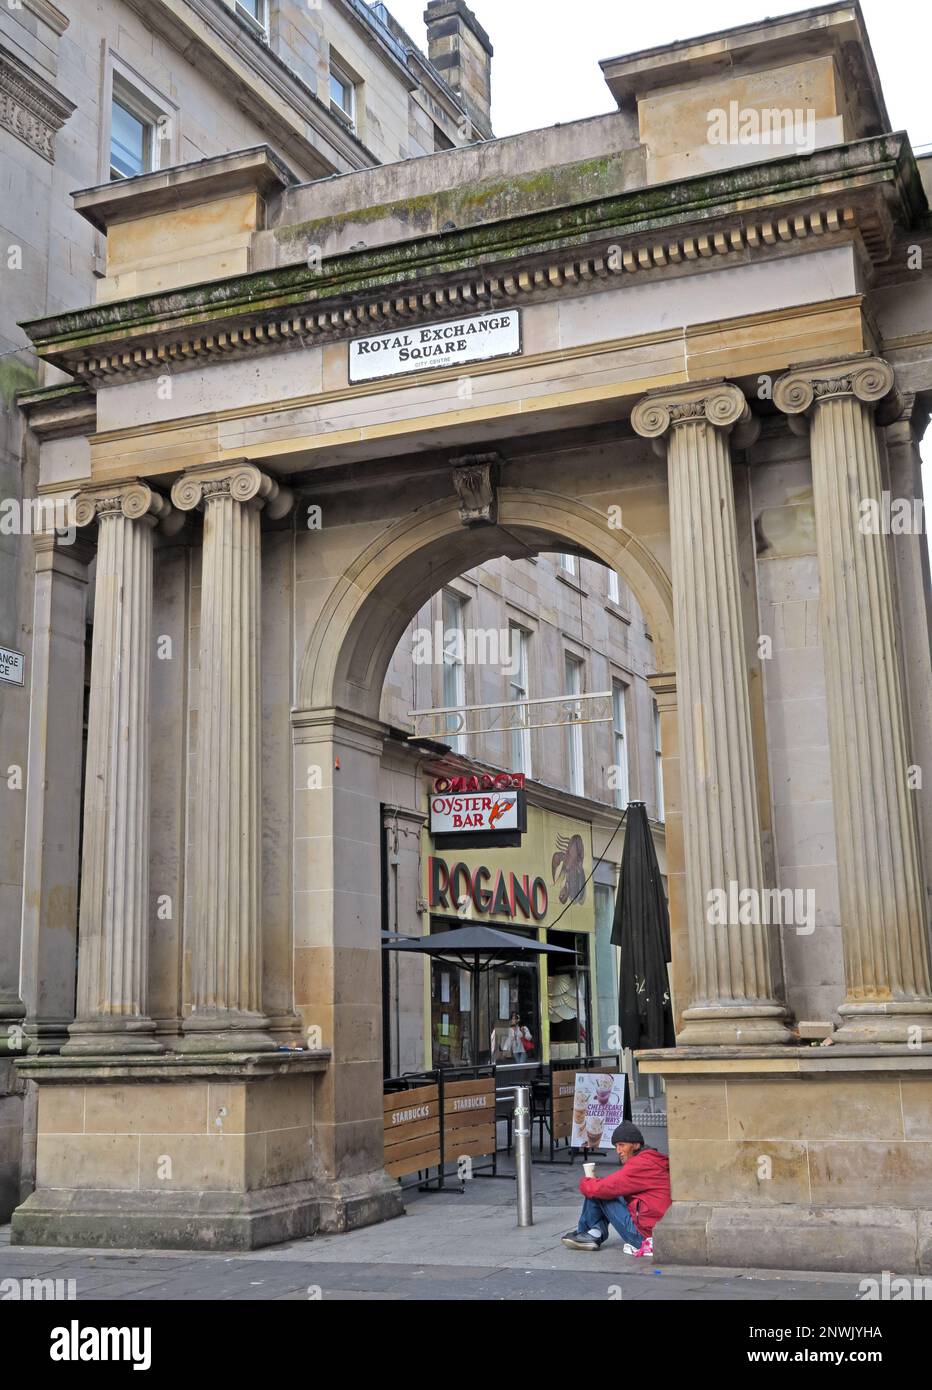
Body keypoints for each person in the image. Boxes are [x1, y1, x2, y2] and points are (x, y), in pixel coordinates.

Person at [561, 1122, 670, 1258]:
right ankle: (593, 1232)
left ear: (636, 1145)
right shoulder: (651, 1160)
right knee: (599, 1187)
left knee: (596, 1191)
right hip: (656, 1229)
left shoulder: (640, 1164)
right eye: (616, 1146)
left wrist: (585, 1182)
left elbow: (605, 1187)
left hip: (644, 1236)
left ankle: (590, 1233)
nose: (618, 1151)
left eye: (622, 1145)